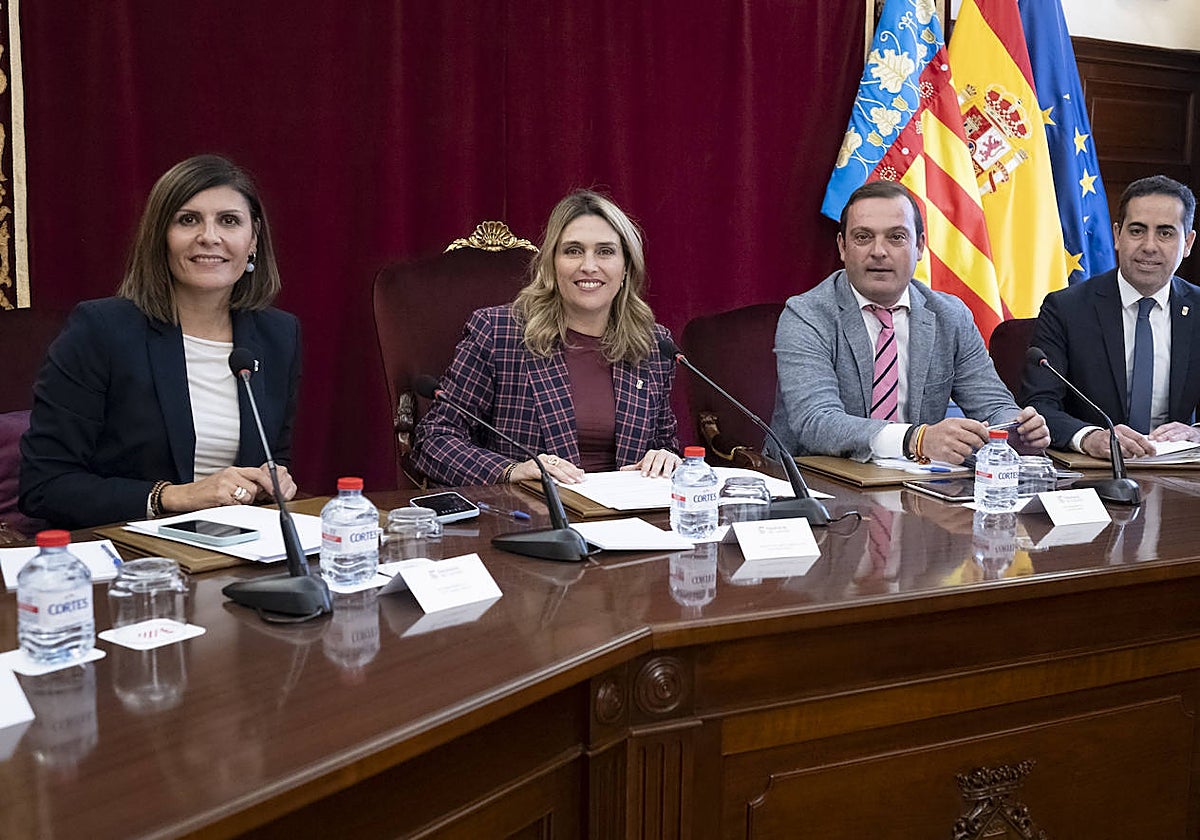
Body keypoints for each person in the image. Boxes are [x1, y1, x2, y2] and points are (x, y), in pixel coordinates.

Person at [20, 155, 300, 529]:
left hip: (235, 546)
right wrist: (175, 496)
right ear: (160, 236)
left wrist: (271, 481)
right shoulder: (102, 330)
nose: (210, 236)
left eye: (229, 221)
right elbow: (44, 485)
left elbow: (272, 455)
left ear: (253, 239)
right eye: (188, 220)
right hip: (129, 548)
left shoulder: (277, 335)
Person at [770, 180, 1048, 465]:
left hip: (916, 481)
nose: (879, 251)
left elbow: (993, 405)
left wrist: (1018, 428)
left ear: (920, 247)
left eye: (896, 237)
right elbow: (816, 421)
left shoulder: (950, 316)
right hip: (814, 478)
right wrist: (915, 439)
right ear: (842, 247)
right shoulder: (807, 314)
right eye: (863, 237)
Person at [412, 189, 679, 487]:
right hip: (531, 510)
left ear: (626, 267)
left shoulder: (653, 345)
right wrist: (511, 471)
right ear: (551, 264)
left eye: (605, 251)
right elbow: (434, 440)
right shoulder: (498, 332)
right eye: (573, 251)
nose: (589, 265)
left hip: (629, 513)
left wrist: (666, 458)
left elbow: (665, 444)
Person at [1021, 175, 1199, 458]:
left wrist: (1197, 432)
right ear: (1117, 236)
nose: (1149, 245)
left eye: (1165, 233)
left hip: (1178, 469)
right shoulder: (1066, 308)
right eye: (1137, 231)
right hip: (1092, 469)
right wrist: (1089, 437)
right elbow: (1038, 404)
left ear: (1187, 243)